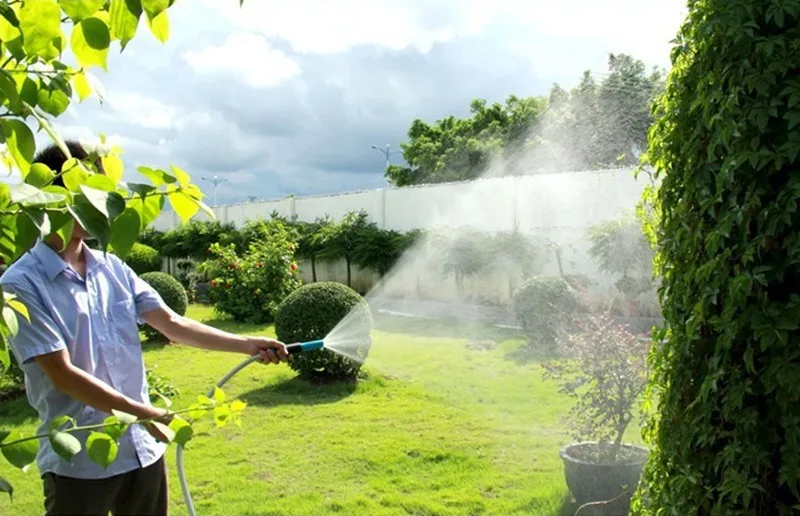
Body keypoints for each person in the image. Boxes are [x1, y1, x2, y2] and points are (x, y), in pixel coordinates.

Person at [0, 140, 288, 516]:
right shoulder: (21, 283)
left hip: (142, 451)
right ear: (56, 197)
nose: (104, 204)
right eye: (93, 191)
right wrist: (143, 413)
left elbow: (171, 323)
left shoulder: (112, 267)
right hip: (79, 460)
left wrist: (248, 344)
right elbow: (61, 374)